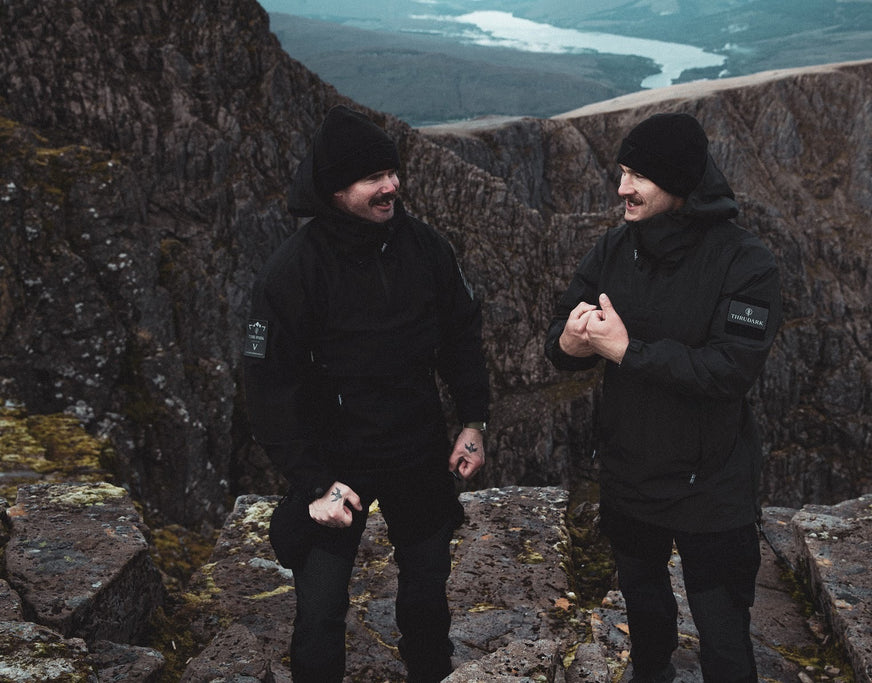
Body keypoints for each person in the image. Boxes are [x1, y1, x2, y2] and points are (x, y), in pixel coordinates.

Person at [243, 105, 490, 683]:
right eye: (373, 177)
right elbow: (267, 387)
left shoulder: (424, 247)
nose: (391, 186)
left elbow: (462, 334)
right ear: (334, 189)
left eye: (392, 171)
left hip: (417, 450)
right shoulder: (291, 272)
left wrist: (473, 420)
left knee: (428, 600)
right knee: (320, 618)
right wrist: (311, 483)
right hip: (335, 465)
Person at [545, 112, 781, 683]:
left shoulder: (745, 262)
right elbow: (560, 342)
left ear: (679, 183)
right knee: (647, 623)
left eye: (638, 176)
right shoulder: (613, 249)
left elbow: (731, 369)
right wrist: (572, 342)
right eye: (622, 172)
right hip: (631, 477)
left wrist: (629, 353)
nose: (622, 188)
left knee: (723, 634)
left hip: (714, 485)